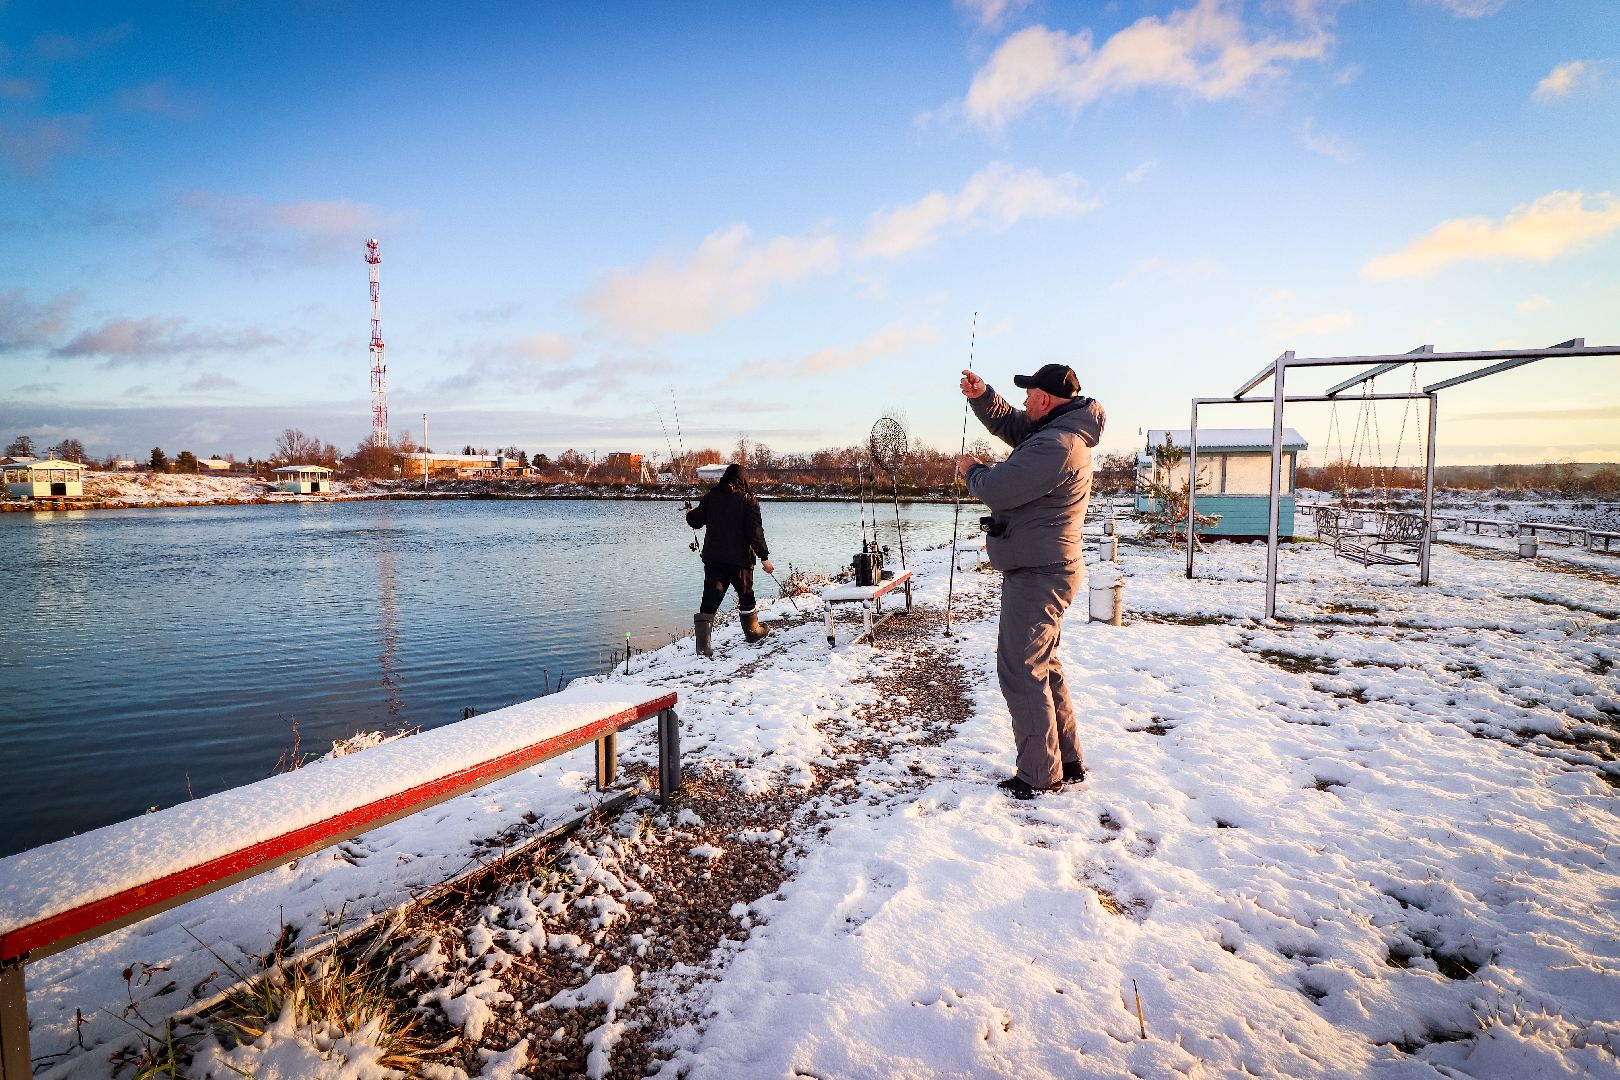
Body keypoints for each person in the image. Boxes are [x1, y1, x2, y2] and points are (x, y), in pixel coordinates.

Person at [955, 363, 1106, 800]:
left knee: (1021, 671)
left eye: (1029, 393)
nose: (1023, 401)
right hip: (1045, 567)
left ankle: (1040, 773)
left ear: (1045, 399)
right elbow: (1012, 423)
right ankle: (1066, 759)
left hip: (1040, 573)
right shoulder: (1055, 431)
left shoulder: (1057, 445)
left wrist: (972, 470)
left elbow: (999, 488)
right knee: (1043, 666)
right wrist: (983, 395)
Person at [684, 463, 775, 657]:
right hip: (740, 560)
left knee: (709, 599)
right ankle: (753, 633)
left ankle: (703, 648)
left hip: (713, 559)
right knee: (746, 595)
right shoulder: (749, 501)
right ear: (743, 479)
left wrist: (688, 514)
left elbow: (695, 522)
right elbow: (755, 533)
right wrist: (764, 557)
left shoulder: (711, 497)